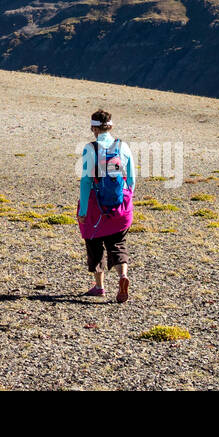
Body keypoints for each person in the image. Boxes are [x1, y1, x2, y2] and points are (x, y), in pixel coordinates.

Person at [78, 108, 135, 302]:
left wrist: (83, 211)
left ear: (93, 128)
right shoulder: (123, 146)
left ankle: (99, 286)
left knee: (94, 243)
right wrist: (127, 200)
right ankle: (123, 276)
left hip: (96, 206)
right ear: (110, 126)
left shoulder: (90, 149)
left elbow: (86, 182)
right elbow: (132, 179)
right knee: (117, 242)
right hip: (120, 205)